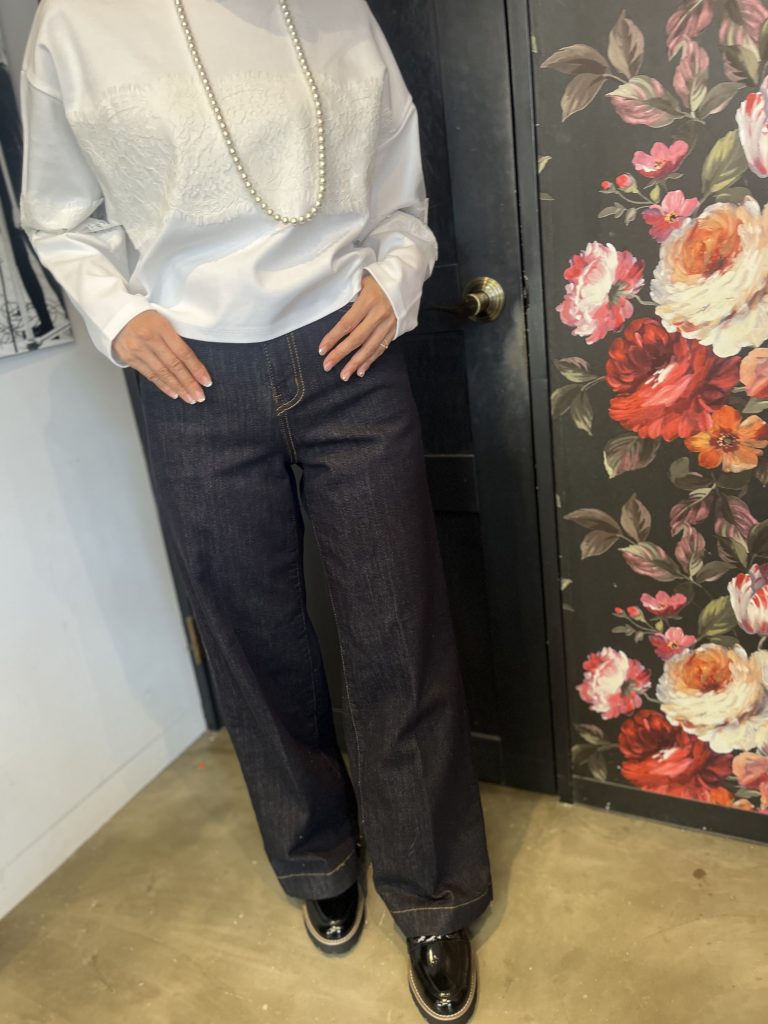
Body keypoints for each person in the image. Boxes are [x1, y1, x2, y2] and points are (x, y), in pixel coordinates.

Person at [19, 1, 493, 1020]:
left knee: (398, 630)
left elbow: (399, 190)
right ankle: (318, 854)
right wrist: (119, 315)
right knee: (250, 636)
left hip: (348, 352)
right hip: (191, 377)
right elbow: (55, 215)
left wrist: (396, 276)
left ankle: (434, 892)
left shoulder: (336, 13)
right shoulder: (76, 25)